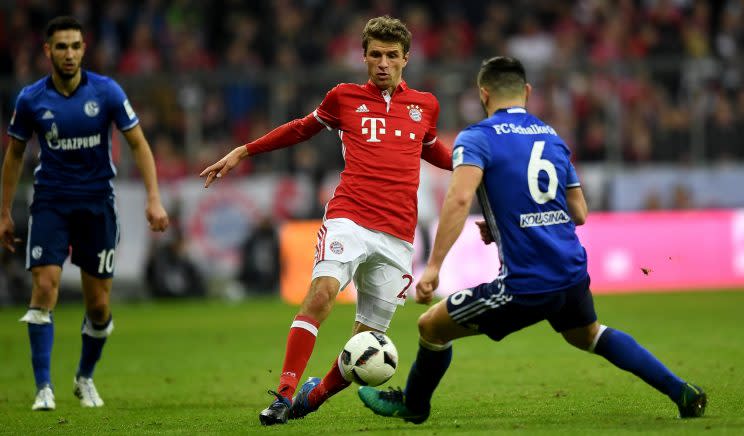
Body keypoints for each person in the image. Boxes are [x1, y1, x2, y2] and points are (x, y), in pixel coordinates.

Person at [358, 56, 706, 423]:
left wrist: (433, 268)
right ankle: (680, 389)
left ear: (483, 93)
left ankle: (413, 405)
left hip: (525, 285)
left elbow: (460, 198)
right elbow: (580, 212)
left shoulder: (477, 138)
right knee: (587, 334)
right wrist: (504, 224)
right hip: (570, 274)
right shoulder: (551, 137)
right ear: (526, 92)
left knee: (431, 325)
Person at [200, 15, 452, 426]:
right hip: (349, 216)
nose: (383, 63)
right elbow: (301, 129)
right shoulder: (344, 97)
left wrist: (473, 163)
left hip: (398, 234)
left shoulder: (425, 105)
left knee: (366, 343)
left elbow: (432, 149)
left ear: (406, 58)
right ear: (364, 57)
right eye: (375, 55)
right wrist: (244, 151)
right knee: (321, 294)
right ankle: (282, 394)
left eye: (392, 55)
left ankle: (310, 399)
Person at [0, 16, 169, 411]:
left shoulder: (107, 92)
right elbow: (14, 155)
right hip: (50, 203)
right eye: (61, 47)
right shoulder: (30, 99)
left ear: (84, 49)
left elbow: (139, 144)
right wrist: (4, 212)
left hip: (97, 206)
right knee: (44, 287)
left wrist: (153, 198)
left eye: (76, 46)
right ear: (48, 51)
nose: (70, 54)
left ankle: (84, 377)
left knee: (98, 307)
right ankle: (43, 388)